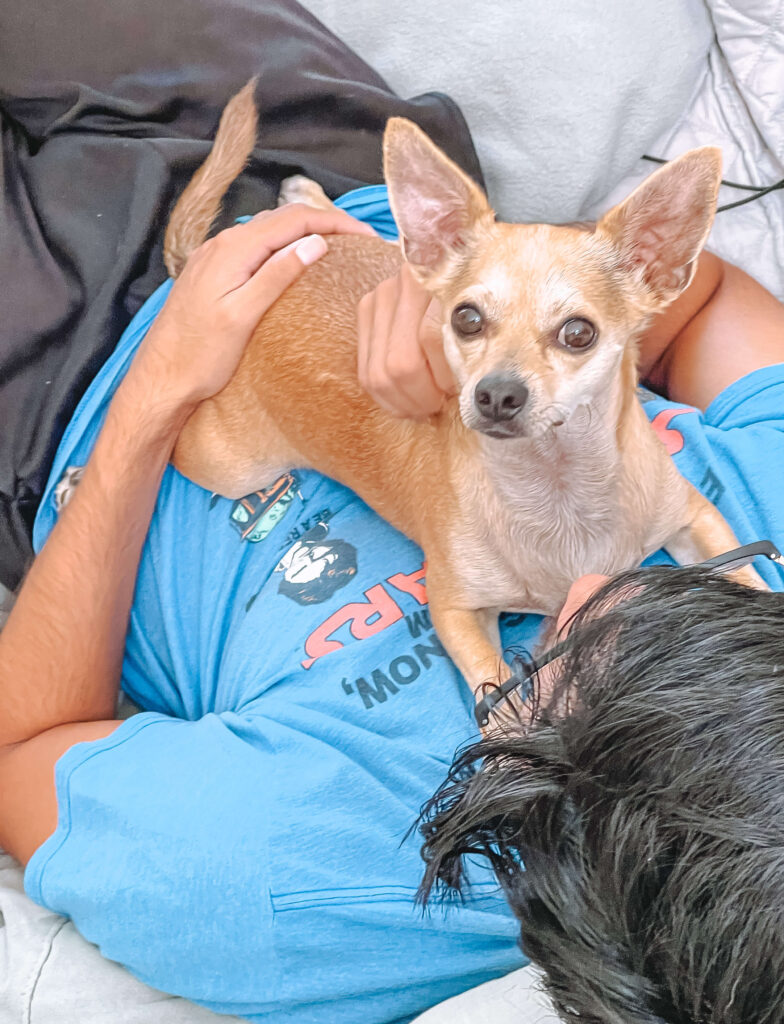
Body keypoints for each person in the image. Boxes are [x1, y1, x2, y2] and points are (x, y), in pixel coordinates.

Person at [0, 190, 782, 1024]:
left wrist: (156, 392)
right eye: (683, 596)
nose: (587, 582)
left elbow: (21, 744)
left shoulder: (293, 884)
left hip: (72, 376)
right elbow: (702, 298)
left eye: (581, 660)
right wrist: (448, 300)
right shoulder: (763, 546)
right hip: (340, 215)